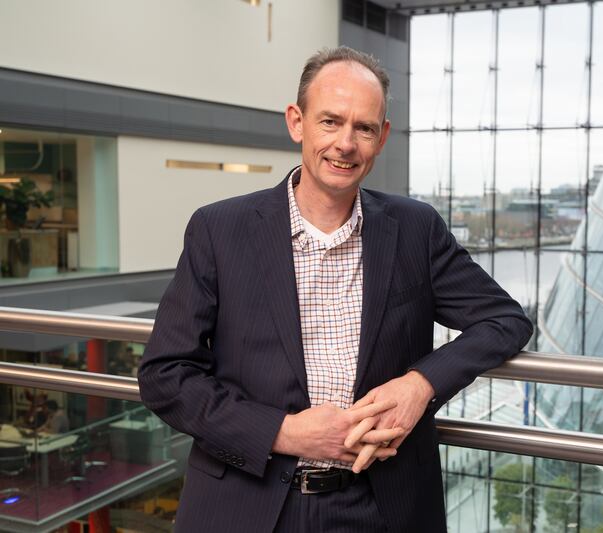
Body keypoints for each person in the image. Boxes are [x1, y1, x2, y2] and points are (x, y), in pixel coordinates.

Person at [138, 46, 532, 532]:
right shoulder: (220, 230)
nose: (345, 143)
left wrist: (419, 385)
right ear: (296, 122)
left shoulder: (415, 229)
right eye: (330, 122)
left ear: (381, 137)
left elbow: (505, 320)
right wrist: (284, 433)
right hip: (246, 503)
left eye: (363, 127)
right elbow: (165, 375)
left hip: (380, 506)